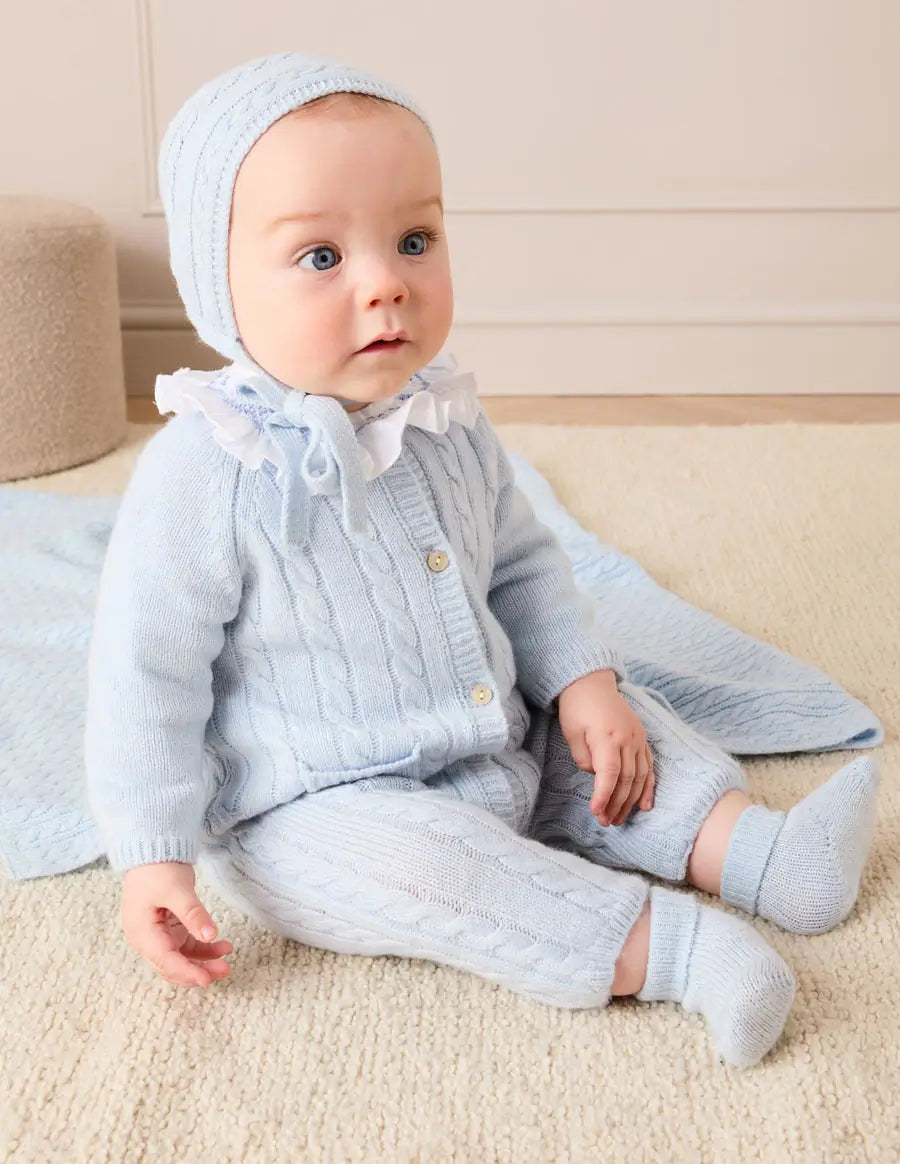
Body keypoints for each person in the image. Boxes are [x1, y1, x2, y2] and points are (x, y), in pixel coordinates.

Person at [84, 52, 880, 1069]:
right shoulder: (208, 469)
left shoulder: (444, 419)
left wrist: (584, 683)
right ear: (218, 282)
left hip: (495, 736)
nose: (386, 283)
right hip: (317, 808)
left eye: (414, 240)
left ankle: (765, 856)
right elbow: (143, 674)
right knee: (437, 872)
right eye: (321, 256)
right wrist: (152, 856)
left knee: (615, 738)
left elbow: (522, 565)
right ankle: (677, 952)